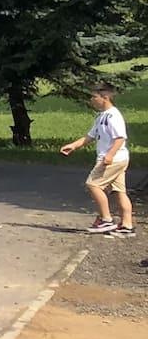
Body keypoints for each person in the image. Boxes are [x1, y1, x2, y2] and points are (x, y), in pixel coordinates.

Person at [60, 83, 131, 235]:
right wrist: (73, 146)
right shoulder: (101, 116)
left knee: (93, 184)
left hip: (114, 158)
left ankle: (106, 220)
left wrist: (109, 155)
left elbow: (120, 138)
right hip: (117, 159)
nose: (92, 100)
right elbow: (90, 136)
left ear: (105, 97)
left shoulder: (113, 115)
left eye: (94, 97)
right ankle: (127, 225)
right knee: (119, 191)